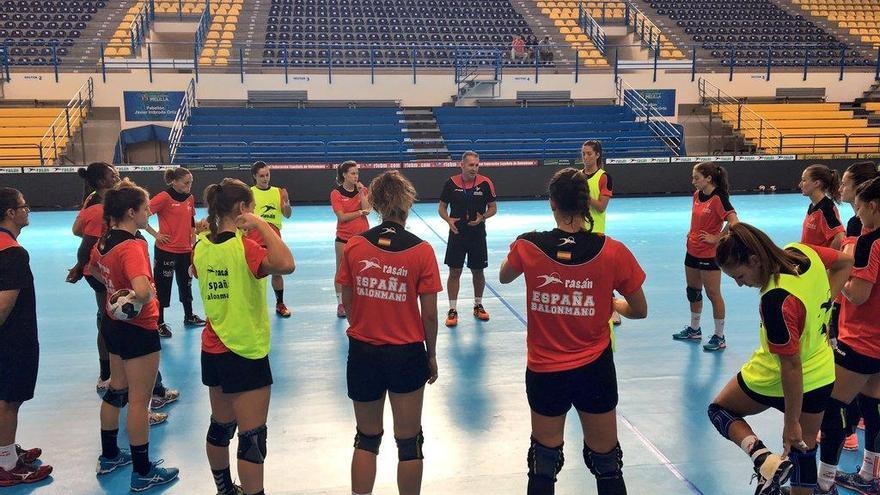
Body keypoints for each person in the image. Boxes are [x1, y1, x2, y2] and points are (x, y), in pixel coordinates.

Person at [499, 168, 648, 495]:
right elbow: (640, 309)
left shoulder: (528, 245)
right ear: (585, 205)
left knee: (544, 459)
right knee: (606, 460)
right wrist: (613, 305)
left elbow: (504, 275)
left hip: (544, 369)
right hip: (594, 368)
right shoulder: (612, 251)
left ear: (552, 203)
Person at [707, 223, 852, 495]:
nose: (739, 284)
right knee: (804, 448)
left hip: (775, 376)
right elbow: (845, 261)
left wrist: (790, 422)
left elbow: (791, 366)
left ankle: (763, 458)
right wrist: (825, 301)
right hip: (821, 371)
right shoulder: (801, 252)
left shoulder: (776, 299)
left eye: (739, 275)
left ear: (754, 260)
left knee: (719, 410)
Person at [336, 170, 440, 495]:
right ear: (407, 204)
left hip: (363, 352)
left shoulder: (355, 246)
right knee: (409, 442)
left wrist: (366, 325)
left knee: (366, 438)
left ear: (377, 204)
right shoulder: (421, 251)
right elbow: (431, 315)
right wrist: (431, 355)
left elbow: (348, 300)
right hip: (406, 353)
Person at [193, 178, 294, 495]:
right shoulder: (245, 247)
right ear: (242, 210)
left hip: (213, 348)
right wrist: (262, 227)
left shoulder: (202, 247)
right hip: (245, 350)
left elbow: (197, 270)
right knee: (252, 437)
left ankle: (224, 490)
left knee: (220, 427)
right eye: (251, 207)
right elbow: (286, 264)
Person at [90, 179, 179, 492]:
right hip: (138, 331)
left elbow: (95, 271)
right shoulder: (132, 246)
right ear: (131, 212)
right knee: (140, 402)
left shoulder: (102, 242)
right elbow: (142, 291)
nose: (149, 213)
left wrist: (116, 296)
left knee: (116, 390)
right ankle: (143, 472)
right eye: (145, 208)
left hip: (112, 326)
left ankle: (110, 455)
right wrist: (145, 295)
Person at [816, 176, 880, 494]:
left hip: (861, 339)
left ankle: (824, 482)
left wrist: (841, 272)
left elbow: (859, 294)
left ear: (871, 207)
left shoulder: (868, 242)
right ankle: (869, 475)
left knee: (833, 407)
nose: (857, 214)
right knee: (873, 405)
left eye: (858, 208)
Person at [0, 188, 53, 486]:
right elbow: (4, 305)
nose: (27, 210)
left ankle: (4, 451)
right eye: (23, 206)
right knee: (8, 399)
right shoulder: (13, 254)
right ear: (10, 212)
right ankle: (7, 463)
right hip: (13, 339)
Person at [673, 162, 739, 351]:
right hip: (692, 250)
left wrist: (717, 238)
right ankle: (694, 329)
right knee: (693, 290)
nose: (693, 181)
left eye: (696, 178)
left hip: (709, 254)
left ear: (708, 178)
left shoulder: (719, 198)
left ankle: (719, 336)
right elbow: (698, 218)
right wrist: (691, 231)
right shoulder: (696, 195)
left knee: (713, 294)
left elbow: (734, 222)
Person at [67, 162, 120, 391]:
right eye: (112, 174)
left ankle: (114, 369)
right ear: (100, 182)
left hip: (107, 267)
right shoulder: (97, 208)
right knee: (108, 319)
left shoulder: (112, 201)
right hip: (99, 271)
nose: (117, 174)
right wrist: (80, 266)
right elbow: (84, 242)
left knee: (109, 317)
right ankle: (106, 373)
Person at [144, 167, 205, 338]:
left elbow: (191, 222)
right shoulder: (164, 197)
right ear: (174, 181)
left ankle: (189, 316)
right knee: (163, 287)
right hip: (166, 251)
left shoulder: (190, 198)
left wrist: (193, 243)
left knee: (186, 284)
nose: (189, 186)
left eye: (191, 182)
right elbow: (143, 215)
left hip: (185, 250)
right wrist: (156, 234)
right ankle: (159, 322)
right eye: (186, 183)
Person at [438, 151, 497, 327]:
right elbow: (441, 207)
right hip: (456, 234)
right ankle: (452, 309)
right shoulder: (451, 183)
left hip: (477, 235)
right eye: (471, 165)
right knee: (454, 272)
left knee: (478, 271)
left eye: (477, 165)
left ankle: (478, 305)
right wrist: (448, 219)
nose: (474, 168)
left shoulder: (486, 183)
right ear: (462, 165)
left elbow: (493, 207)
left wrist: (483, 217)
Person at [250, 161, 293, 317]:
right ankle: (253, 306)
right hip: (254, 237)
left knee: (277, 271)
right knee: (253, 274)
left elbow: (287, 214)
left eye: (267, 175)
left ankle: (280, 303)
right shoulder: (249, 192)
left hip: (274, 237)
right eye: (261, 176)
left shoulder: (277, 192)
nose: (265, 178)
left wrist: (286, 202)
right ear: (255, 176)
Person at [331, 160, 371, 319]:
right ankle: (341, 303)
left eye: (357, 173)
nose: (356, 176)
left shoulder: (363, 190)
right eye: (353, 173)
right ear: (344, 175)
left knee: (362, 270)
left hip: (362, 238)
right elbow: (342, 217)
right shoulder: (336, 193)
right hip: (343, 238)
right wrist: (359, 213)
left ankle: (360, 301)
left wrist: (362, 193)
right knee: (341, 270)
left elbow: (367, 209)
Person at [800, 164, 845, 250]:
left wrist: (825, 261)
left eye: (804, 180)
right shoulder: (812, 206)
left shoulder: (826, 209)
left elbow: (840, 238)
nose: (800, 185)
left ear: (817, 183)